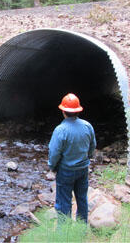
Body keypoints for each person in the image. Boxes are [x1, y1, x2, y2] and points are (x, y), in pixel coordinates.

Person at [48, 93, 96, 223]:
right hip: (82, 169)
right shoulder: (87, 126)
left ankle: (64, 232)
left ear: (63, 111)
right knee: (82, 199)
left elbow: (54, 152)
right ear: (78, 111)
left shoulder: (60, 130)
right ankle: (81, 229)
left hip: (65, 171)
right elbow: (93, 145)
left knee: (64, 202)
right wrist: (88, 157)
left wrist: (52, 166)